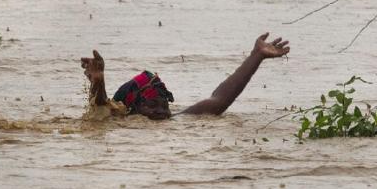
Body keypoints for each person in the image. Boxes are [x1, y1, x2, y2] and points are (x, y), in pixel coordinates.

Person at [80, 33, 290, 120]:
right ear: (132, 109)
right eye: (152, 106)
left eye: (164, 105)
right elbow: (102, 111)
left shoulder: (180, 120)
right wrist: (98, 81)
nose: (162, 112)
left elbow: (220, 99)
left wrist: (257, 56)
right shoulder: (123, 123)